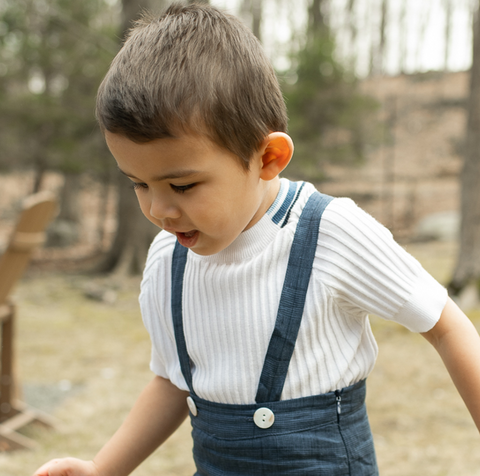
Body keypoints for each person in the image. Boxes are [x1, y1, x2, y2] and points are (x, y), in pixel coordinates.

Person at [34, 3, 480, 476]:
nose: (159, 210)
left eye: (182, 186)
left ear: (268, 157)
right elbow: (174, 382)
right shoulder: (169, 259)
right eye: (139, 184)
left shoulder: (331, 233)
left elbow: (445, 325)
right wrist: (103, 468)